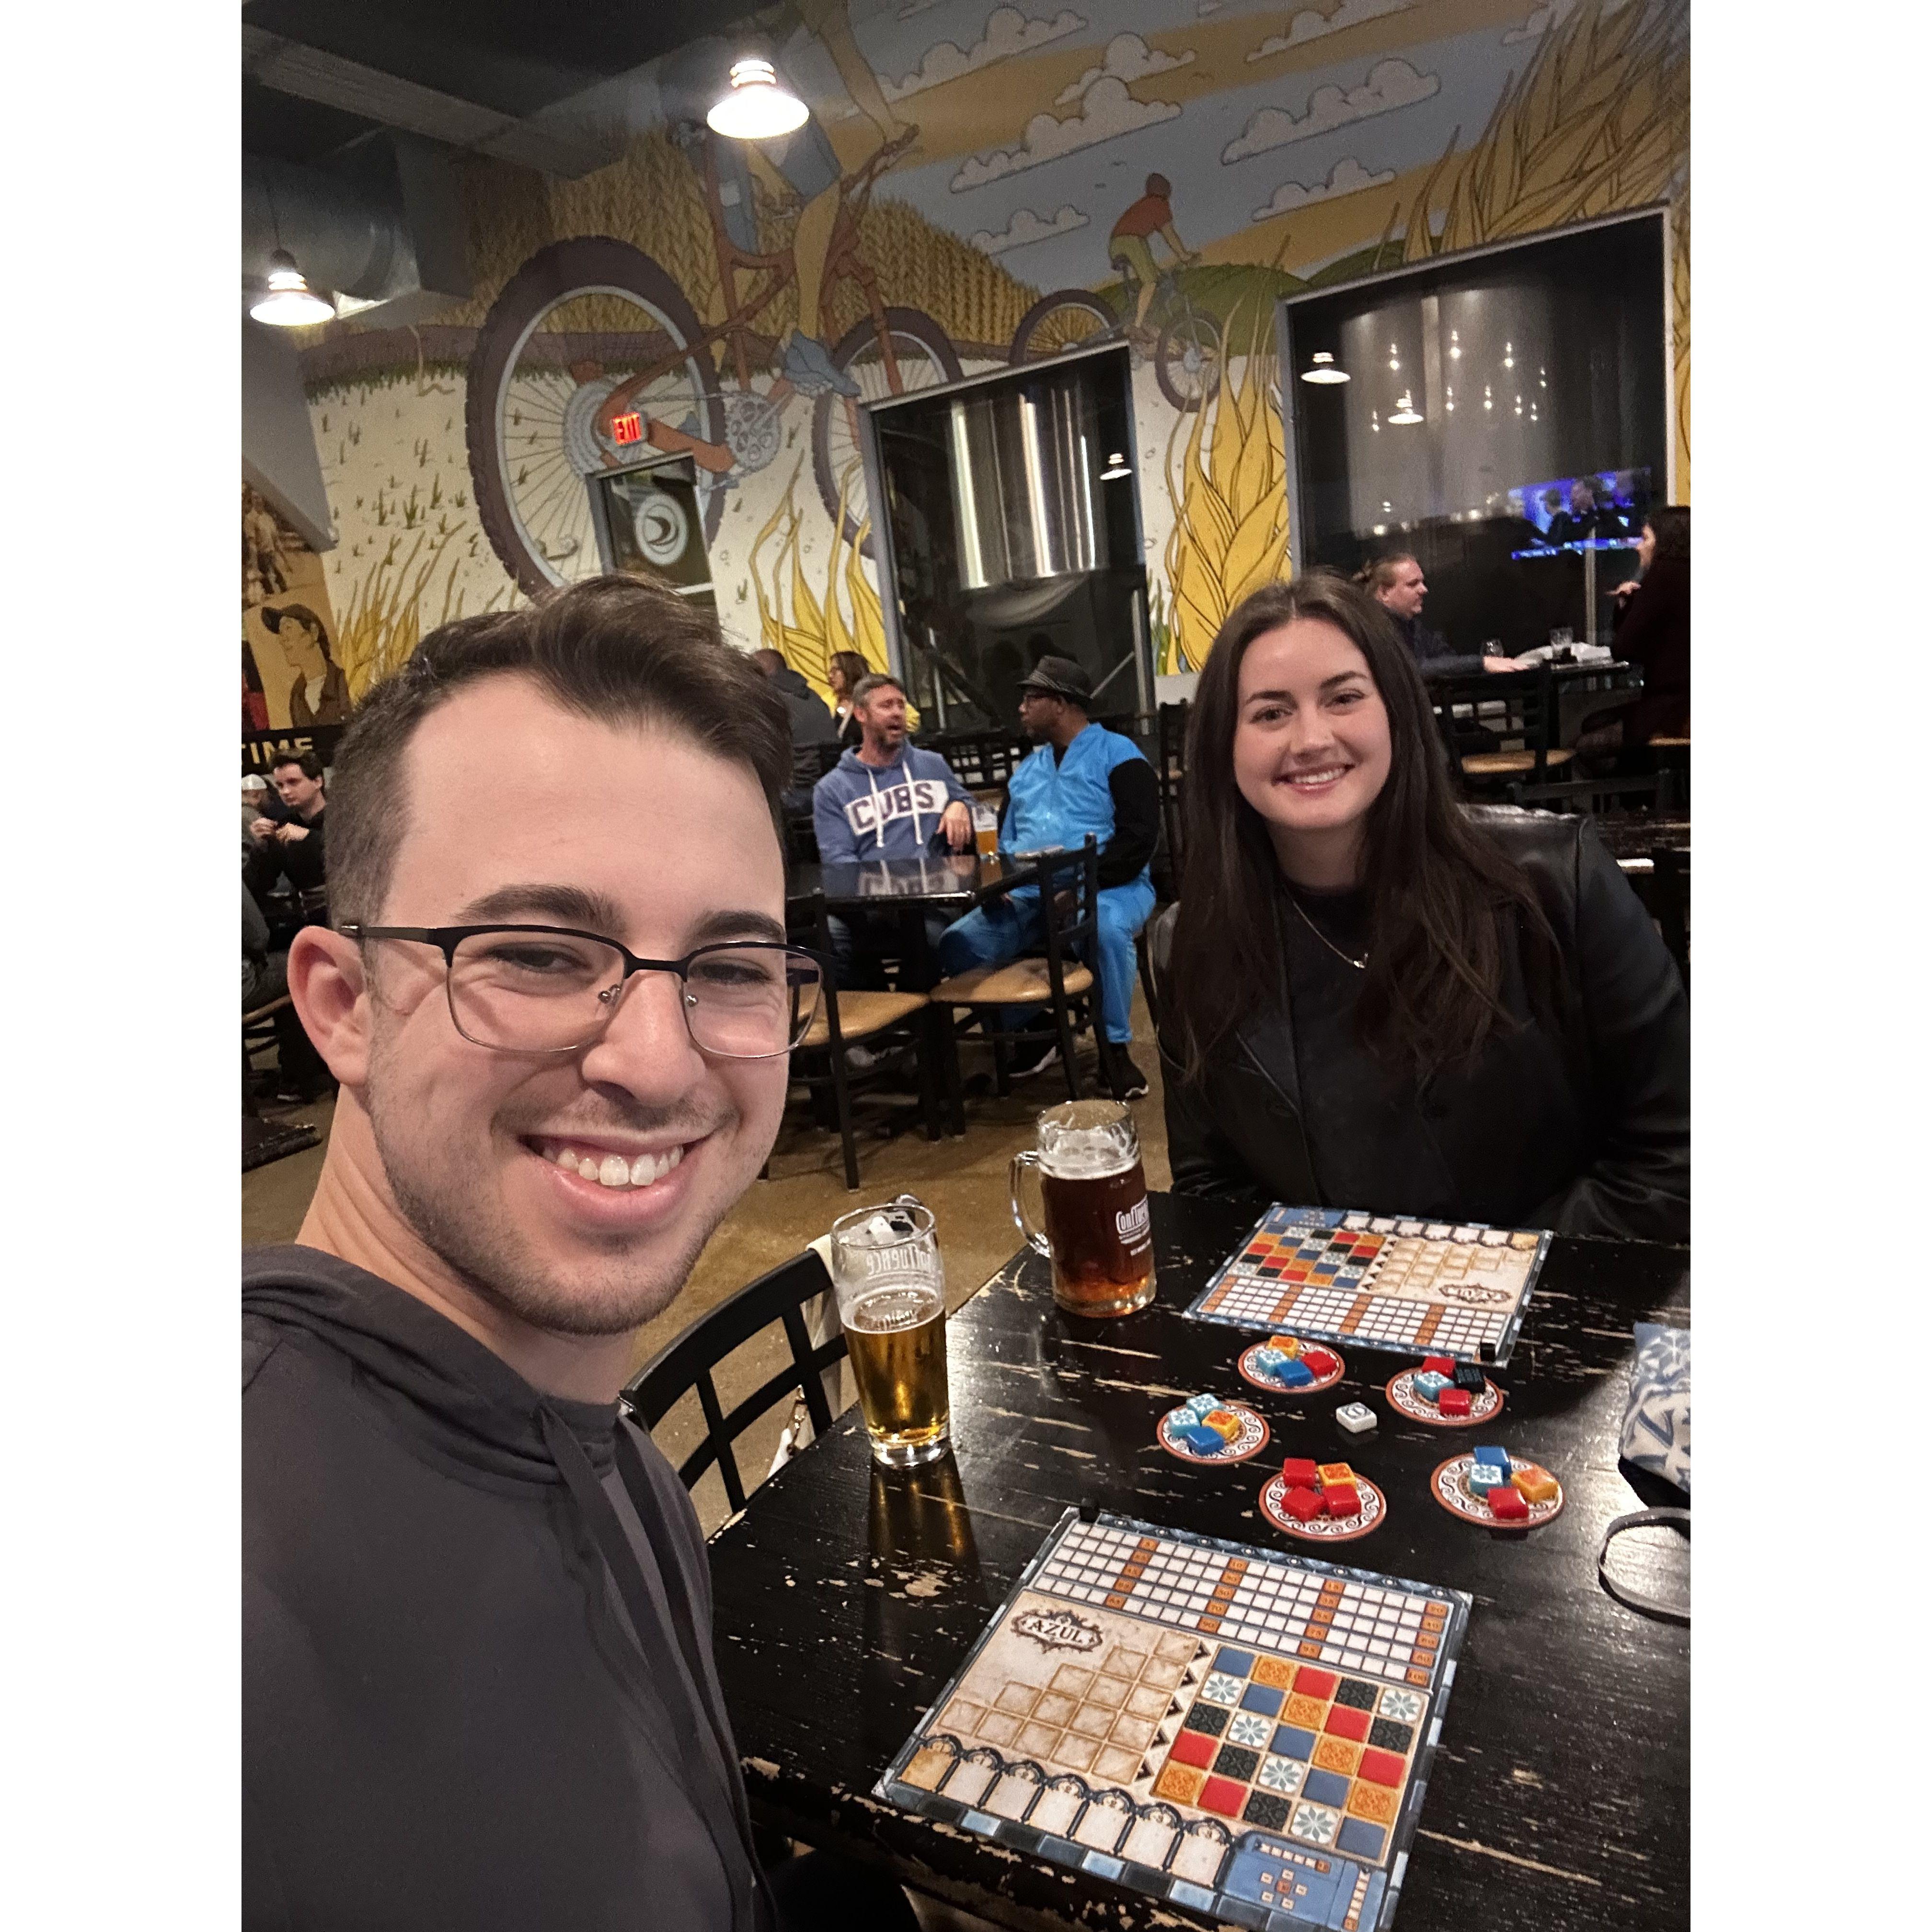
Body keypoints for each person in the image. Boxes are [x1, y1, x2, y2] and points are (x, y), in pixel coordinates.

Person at [246, 575, 917, 1932]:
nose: (656, 1063)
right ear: (343, 1006)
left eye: (729, 967)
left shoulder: (605, 1451)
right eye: (542, 955)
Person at [1153, 573, 1688, 1242]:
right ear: (1223, 746)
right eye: (1270, 713)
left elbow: (1674, 1158)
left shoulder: (1557, 881)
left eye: (1344, 698)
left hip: (1557, 1292)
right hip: (1334, 1300)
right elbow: (1212, 1190)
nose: (1310, 738)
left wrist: (1483, 1273)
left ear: (1397, 713)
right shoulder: (1192, 944)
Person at [935, 657, 1158, 1101]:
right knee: (959, 944)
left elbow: (1139, 840)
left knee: (1106, 931)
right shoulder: (1027, 771)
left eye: (1031, 698)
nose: (1021, 708)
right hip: (1029, 892)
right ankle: (1040, 1027)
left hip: (1111, 885)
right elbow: (1004, 842)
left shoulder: (1120, 755)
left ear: (1061, 703)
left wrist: (1080, 891)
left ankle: (1114, 1049)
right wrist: (995, 886)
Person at [811, 671, 974, 988]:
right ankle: (873, 1014)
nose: (898, 712)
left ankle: (917, 1016)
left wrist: (961, 804)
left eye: (901, 705)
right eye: (886, 706)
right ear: (861, 714)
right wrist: (878, 898)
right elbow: (839, 862)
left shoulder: (932, 765)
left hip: (933, 900)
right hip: (872, 906)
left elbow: (974, 812)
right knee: (830, 934)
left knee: (926, 937)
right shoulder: (832, 789)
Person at [1609, 505, 1690, 744]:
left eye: (1645, 538)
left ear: (1664, 542)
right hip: (1686, 706)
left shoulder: (1662, 577)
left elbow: (1623, 650)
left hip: (1672, 709)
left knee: (1588, 741)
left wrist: (1626, 606)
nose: (1638, 547)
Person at [1356, 555, 1514, 677]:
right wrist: (1482, 663)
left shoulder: (1412, 625)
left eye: (1422, 582)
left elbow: (1445, 658)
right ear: (1384, 593)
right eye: (1413, 584)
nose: (1424, 590)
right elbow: (1411, 669)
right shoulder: (1371, 629)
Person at [750, 645, 838, 807]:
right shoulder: (813, 696)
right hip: (830, 790)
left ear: (759, 672)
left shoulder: (769, 700)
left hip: (793, 797)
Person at [1109, 172, 1196, 334]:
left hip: (1122, 242)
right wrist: (1184, 256)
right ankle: (1137, 327)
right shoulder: (1158, 204)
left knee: (1156, 277)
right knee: (1150, 282)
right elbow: (1170, 235)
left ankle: (1139, 317)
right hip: (1129, 241)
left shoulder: (1147, 203)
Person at [245, 748, 329, 899]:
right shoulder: (284, 826)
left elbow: (357, 859)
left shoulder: (344, 816)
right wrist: (262, 847)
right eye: (280, 785)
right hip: (307, 909)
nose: (285, 791)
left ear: (318, 782)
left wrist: (309, 837)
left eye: (293, 782)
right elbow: (256, 886)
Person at [262, 600, 351, 726]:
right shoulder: (297, 695)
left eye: (288, 628)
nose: (282, 639)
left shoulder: (342, 681)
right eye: (281, 633)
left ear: (314, 633)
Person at [826, 648, 871, 748]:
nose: (830, 676)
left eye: (835, 671)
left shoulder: (870, 701)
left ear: (850, 671)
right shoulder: (827, 702)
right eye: (830, 672)